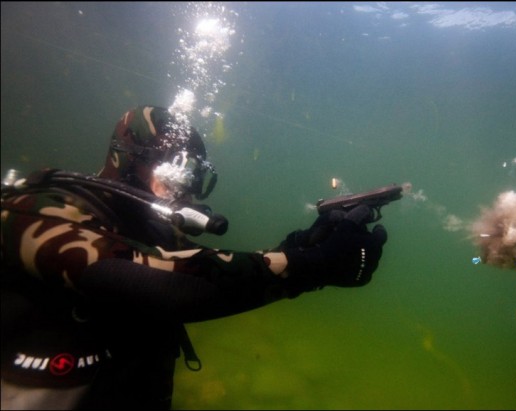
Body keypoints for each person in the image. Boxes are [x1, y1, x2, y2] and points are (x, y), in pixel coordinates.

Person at [0, 106, 388, 409]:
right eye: (178, 169)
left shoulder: (151, 238)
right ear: (128, 159)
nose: (187, 188)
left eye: (197, 175)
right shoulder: (35, 211)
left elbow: (209, 270)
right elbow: (173, 285)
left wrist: (302, 247)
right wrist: (313, 264)